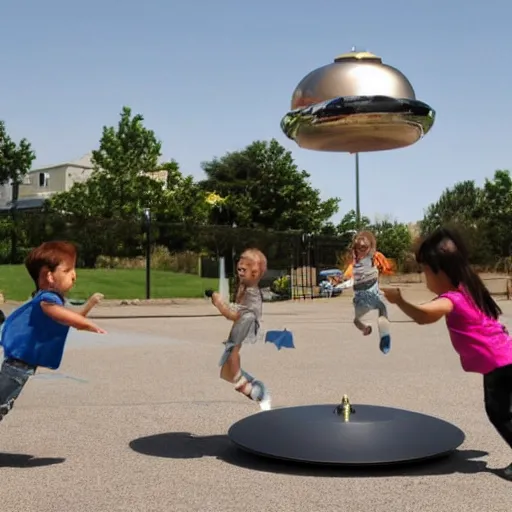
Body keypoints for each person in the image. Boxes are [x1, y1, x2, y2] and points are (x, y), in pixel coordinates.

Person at [382, 227, 512, 480]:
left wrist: (400, 301)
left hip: (497, 363)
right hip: (506, 357)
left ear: (439, 271)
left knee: (500, 413)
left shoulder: (453, 298)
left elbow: (423, 316)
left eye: (425, 271)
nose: (424, 277)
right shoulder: (470, 288)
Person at [0, 241, 106, 423]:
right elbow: (58, 313)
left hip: (20, 366)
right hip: (18, 366)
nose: (74, 276)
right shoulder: (48, 298)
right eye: (67, 271)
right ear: (49, 276)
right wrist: (87, 324)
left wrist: (89, 305)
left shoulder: (51, 299)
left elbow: (69, 317)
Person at [209, 248, 271, 411]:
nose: (240, 273)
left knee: (232, 353)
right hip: (245, 320)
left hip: (246, 321)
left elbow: (234, 315)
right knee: (228, 362)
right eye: (239, 269)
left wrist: (219, 304)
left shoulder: (250, 292)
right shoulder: (244, 287)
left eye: (244, 270)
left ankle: (251, 388)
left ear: (255, 273)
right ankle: (250, 385)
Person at [343, 231, 394, 354]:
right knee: (382, 309)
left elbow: (348, 273)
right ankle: (384, 335)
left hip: (361, 296)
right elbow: (385, 265)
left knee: (357, 320)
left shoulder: (357, 262)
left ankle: (365, 328)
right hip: (369, 293)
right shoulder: (373, 257)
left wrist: (345, 278)